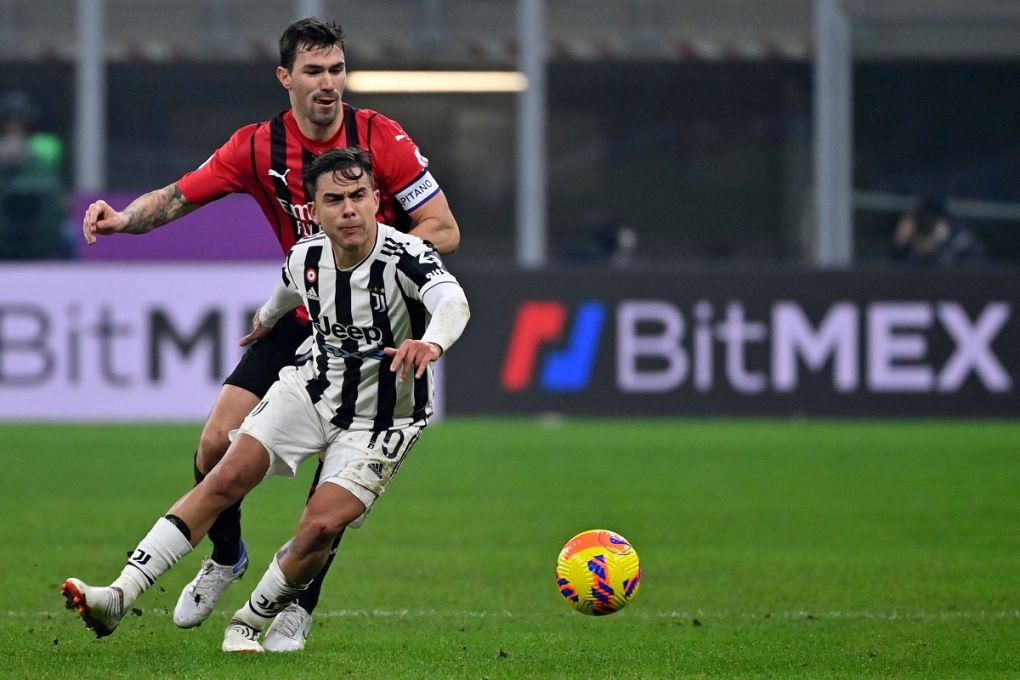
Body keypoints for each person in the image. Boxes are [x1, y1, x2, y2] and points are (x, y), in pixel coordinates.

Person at [79, 18, 460, 651]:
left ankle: (294, 607)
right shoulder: (257, 147)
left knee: (330, 495)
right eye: (314, 71)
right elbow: (178, 197)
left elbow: (443, 228)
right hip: (304, 316)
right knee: (213, 446)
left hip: (380, 335)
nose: (328, 83)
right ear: (286, 78)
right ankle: (225, 557)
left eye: (337, 69)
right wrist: (121, 221)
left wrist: (376, 265)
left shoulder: (381, 139)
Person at [0, 90, 71, 259]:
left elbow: (54, 188)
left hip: (41, 223)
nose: (15, 125)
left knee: (70, 236)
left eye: (19, 120)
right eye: (11, 121)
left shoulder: (45, 146)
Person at [891, 198, 985, 266]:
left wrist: (940, 248)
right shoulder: (914, 243)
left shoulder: (960, 239)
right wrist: (900, 246)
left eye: (932, 222)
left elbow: (976, 267)